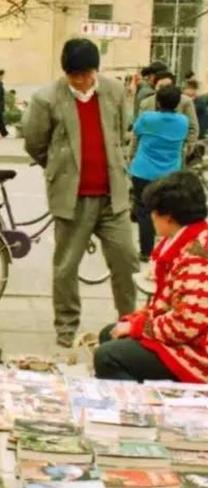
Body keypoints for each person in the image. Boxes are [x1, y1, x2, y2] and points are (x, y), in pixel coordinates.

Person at [23, 38, 139, 348]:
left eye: (87, 74)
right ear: (66, 73)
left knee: (126, 260)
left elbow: (121, 132)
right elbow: (34, 142)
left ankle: (128, 322)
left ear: (95, 71)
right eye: (75, 75)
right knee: (66, 267)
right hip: (72, 199)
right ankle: (66, 327)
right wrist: (60, 169)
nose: (82, 81)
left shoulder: (114, 92)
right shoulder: (46, 98)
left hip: (112, 195)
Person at [94, 172, 208, 383]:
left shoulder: (197, 256)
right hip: (188, 337)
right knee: (109, 334)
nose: (150, 218)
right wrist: (135, 321)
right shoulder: (185, 240)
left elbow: (186, 324)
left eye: (153, 212)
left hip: (198, 351)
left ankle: (141, 408)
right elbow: (165, 307)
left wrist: (138, 328)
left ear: (168, 217)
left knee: (107, 357)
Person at [129, 85, 189, 261]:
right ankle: (168, 250)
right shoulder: (183, 121)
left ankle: (146, 251)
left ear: (157, 101)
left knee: (144, 210)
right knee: (168, 211)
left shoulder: (147, 118)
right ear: (177, 103)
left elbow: (135, 132)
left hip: (143, 171)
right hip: (170, 174)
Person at [136, 70, 199, 158]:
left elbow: (193, 127)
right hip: (150, 152)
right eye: (161, 86)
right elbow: (138, 131)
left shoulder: (185, 102)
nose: (164, 90)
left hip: (175, 152)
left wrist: (188, 148)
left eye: (168, 86)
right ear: (155, 87)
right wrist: (133, 153)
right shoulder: (146, 103)